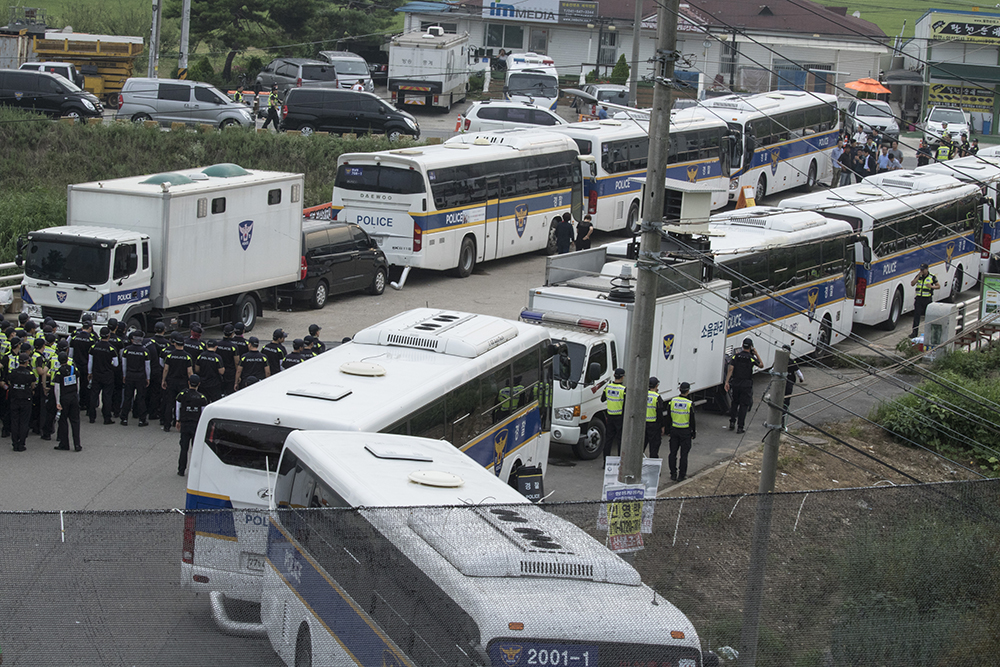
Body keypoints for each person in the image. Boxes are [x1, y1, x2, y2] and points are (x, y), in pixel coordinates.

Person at [724, 337, 763, 434]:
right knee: (743, 406)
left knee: (734, 403)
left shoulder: (736, 356)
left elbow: (730, 369)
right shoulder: (751, 358)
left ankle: (732, 422)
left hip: (736, 383)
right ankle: (740, 427)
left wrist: (727, 382)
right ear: (751, 347)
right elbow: (761, 365)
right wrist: (756, 353)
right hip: (746, 384)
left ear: (742, 346)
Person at [175, 374, 209, 477]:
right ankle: (195, 471)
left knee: (184, 448)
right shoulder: (202, 398)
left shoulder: (181, 395)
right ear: (199, 384)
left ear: (188, 382)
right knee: (196, 449)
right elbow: (203, 413)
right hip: (196, 425)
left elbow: (178, 408)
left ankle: (181, 470)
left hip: (185, 424)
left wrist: (178, 420)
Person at [160, 334, 193, 432]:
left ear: (174, 343)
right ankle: (178, 422)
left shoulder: (170, 355)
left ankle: (167, 425)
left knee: (169, 403)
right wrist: (192, 383)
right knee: (182, 404)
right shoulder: (188, 356)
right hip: (183, 383)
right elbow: (190, 372)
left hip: (171, 382)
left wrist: (163, 380)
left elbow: (166, 369)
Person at [88, 327, 118, 425]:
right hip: (107, 375)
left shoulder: (94, 347)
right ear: (109, 335)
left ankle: (91, 417)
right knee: (107, 397)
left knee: (93, 395)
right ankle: (107, 418)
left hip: (96, 374)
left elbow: (90, 362)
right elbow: (116, 364)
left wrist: (89, 373)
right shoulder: (111, 348)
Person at [119, 330, 150, 427]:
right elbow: (147, 367)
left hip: (129, 376)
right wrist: (148, 378)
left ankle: (124, 418)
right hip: (140, 377)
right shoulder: (145, 351)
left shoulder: (127, 350)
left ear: (133, 340)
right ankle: (142, 420)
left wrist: (124, 375)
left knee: (128, 398)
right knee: (141, 398)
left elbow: (124, 364)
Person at [667, 381, 696, 482]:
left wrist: (668, 430)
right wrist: (693, 432)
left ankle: (673, 473)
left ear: (679, 390)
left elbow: (668, 417)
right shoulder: (689, 404)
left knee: (672, 453)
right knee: (684, 455)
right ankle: (681, 475)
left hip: (674, 430)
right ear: (688, 391)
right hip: (685, 432)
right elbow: (692, 420)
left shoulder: (672, 401)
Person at [53, 352, 82, 451]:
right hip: (73, 396)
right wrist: (76, 394)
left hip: (64, 398)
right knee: (75, 421)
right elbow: (78, 382)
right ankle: (77, 444)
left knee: (63, 421)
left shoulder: (59, 372)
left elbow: (57, 388)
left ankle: (64, 444)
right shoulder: (74, 369)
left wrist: (57, 402)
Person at [9, 354, 34, 452]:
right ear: (27, 362)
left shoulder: (13, 372)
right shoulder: (30, 374)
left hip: (14, 398)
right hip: (26, 399)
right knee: (24, 421)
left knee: (14, 421)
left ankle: (14, 443)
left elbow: (10, 382)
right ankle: (21, 443)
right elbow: (32, 385)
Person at [601, 368, 626, 462]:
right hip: (619, 417)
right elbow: (626, 405)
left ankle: (606, 462)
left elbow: (602, 399)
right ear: (622, 377)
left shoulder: (608, 387)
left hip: (609, 416)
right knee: (620, 440)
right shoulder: (623, 390)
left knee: (608, 440)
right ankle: (620, 462)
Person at [910, 262, 940, 338]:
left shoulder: (932, 277)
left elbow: (938, 286)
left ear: (927, 269)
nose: (922, 271)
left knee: (928, 317)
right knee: (916, 316)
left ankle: (928, 333)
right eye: (921, 269)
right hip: (919, 299)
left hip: (927, 299)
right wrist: (917, 277)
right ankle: (914, 332)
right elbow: (912, 283)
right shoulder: (918, 276)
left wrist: (931, 286)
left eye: (923, 270)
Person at [644, 377, 667, 458]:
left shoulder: (643, 395)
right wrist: (662, 426)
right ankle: (652, 467)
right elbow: (660, 413)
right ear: (657, 385)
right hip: (654, 426)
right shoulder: (657, 397)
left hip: (643, 425)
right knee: (654, 448)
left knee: (641, 447)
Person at [782, 352, 806, 429]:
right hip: (789, 384)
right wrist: (801, 379)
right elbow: (799, 373)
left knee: (778, 400)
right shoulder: (792, 362)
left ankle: (776, 416)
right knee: (786, 402)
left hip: (779, 384)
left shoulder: (779, 361)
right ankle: (782, 418)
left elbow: (772, 370)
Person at [216, 324, 239, 396]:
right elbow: (237, 362)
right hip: (230, 374)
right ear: (232, 334)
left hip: (219, 372)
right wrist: (238, 376)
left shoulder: (218, 344)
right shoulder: (233, 347)